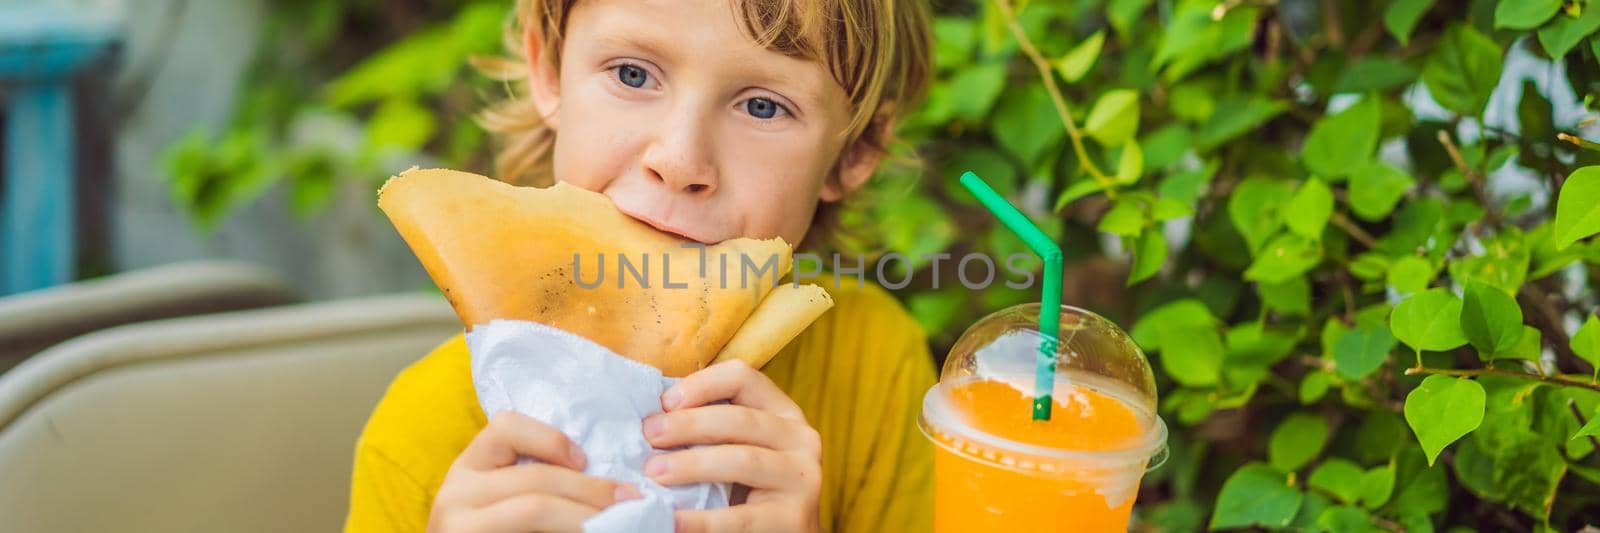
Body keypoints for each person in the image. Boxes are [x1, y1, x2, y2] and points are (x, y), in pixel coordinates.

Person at [346, 0, 935, 531]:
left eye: (763, 105)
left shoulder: (872, 365)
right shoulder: (425, 434)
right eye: (633, 74)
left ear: (853, 151)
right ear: (549, 70)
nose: (679, 160)